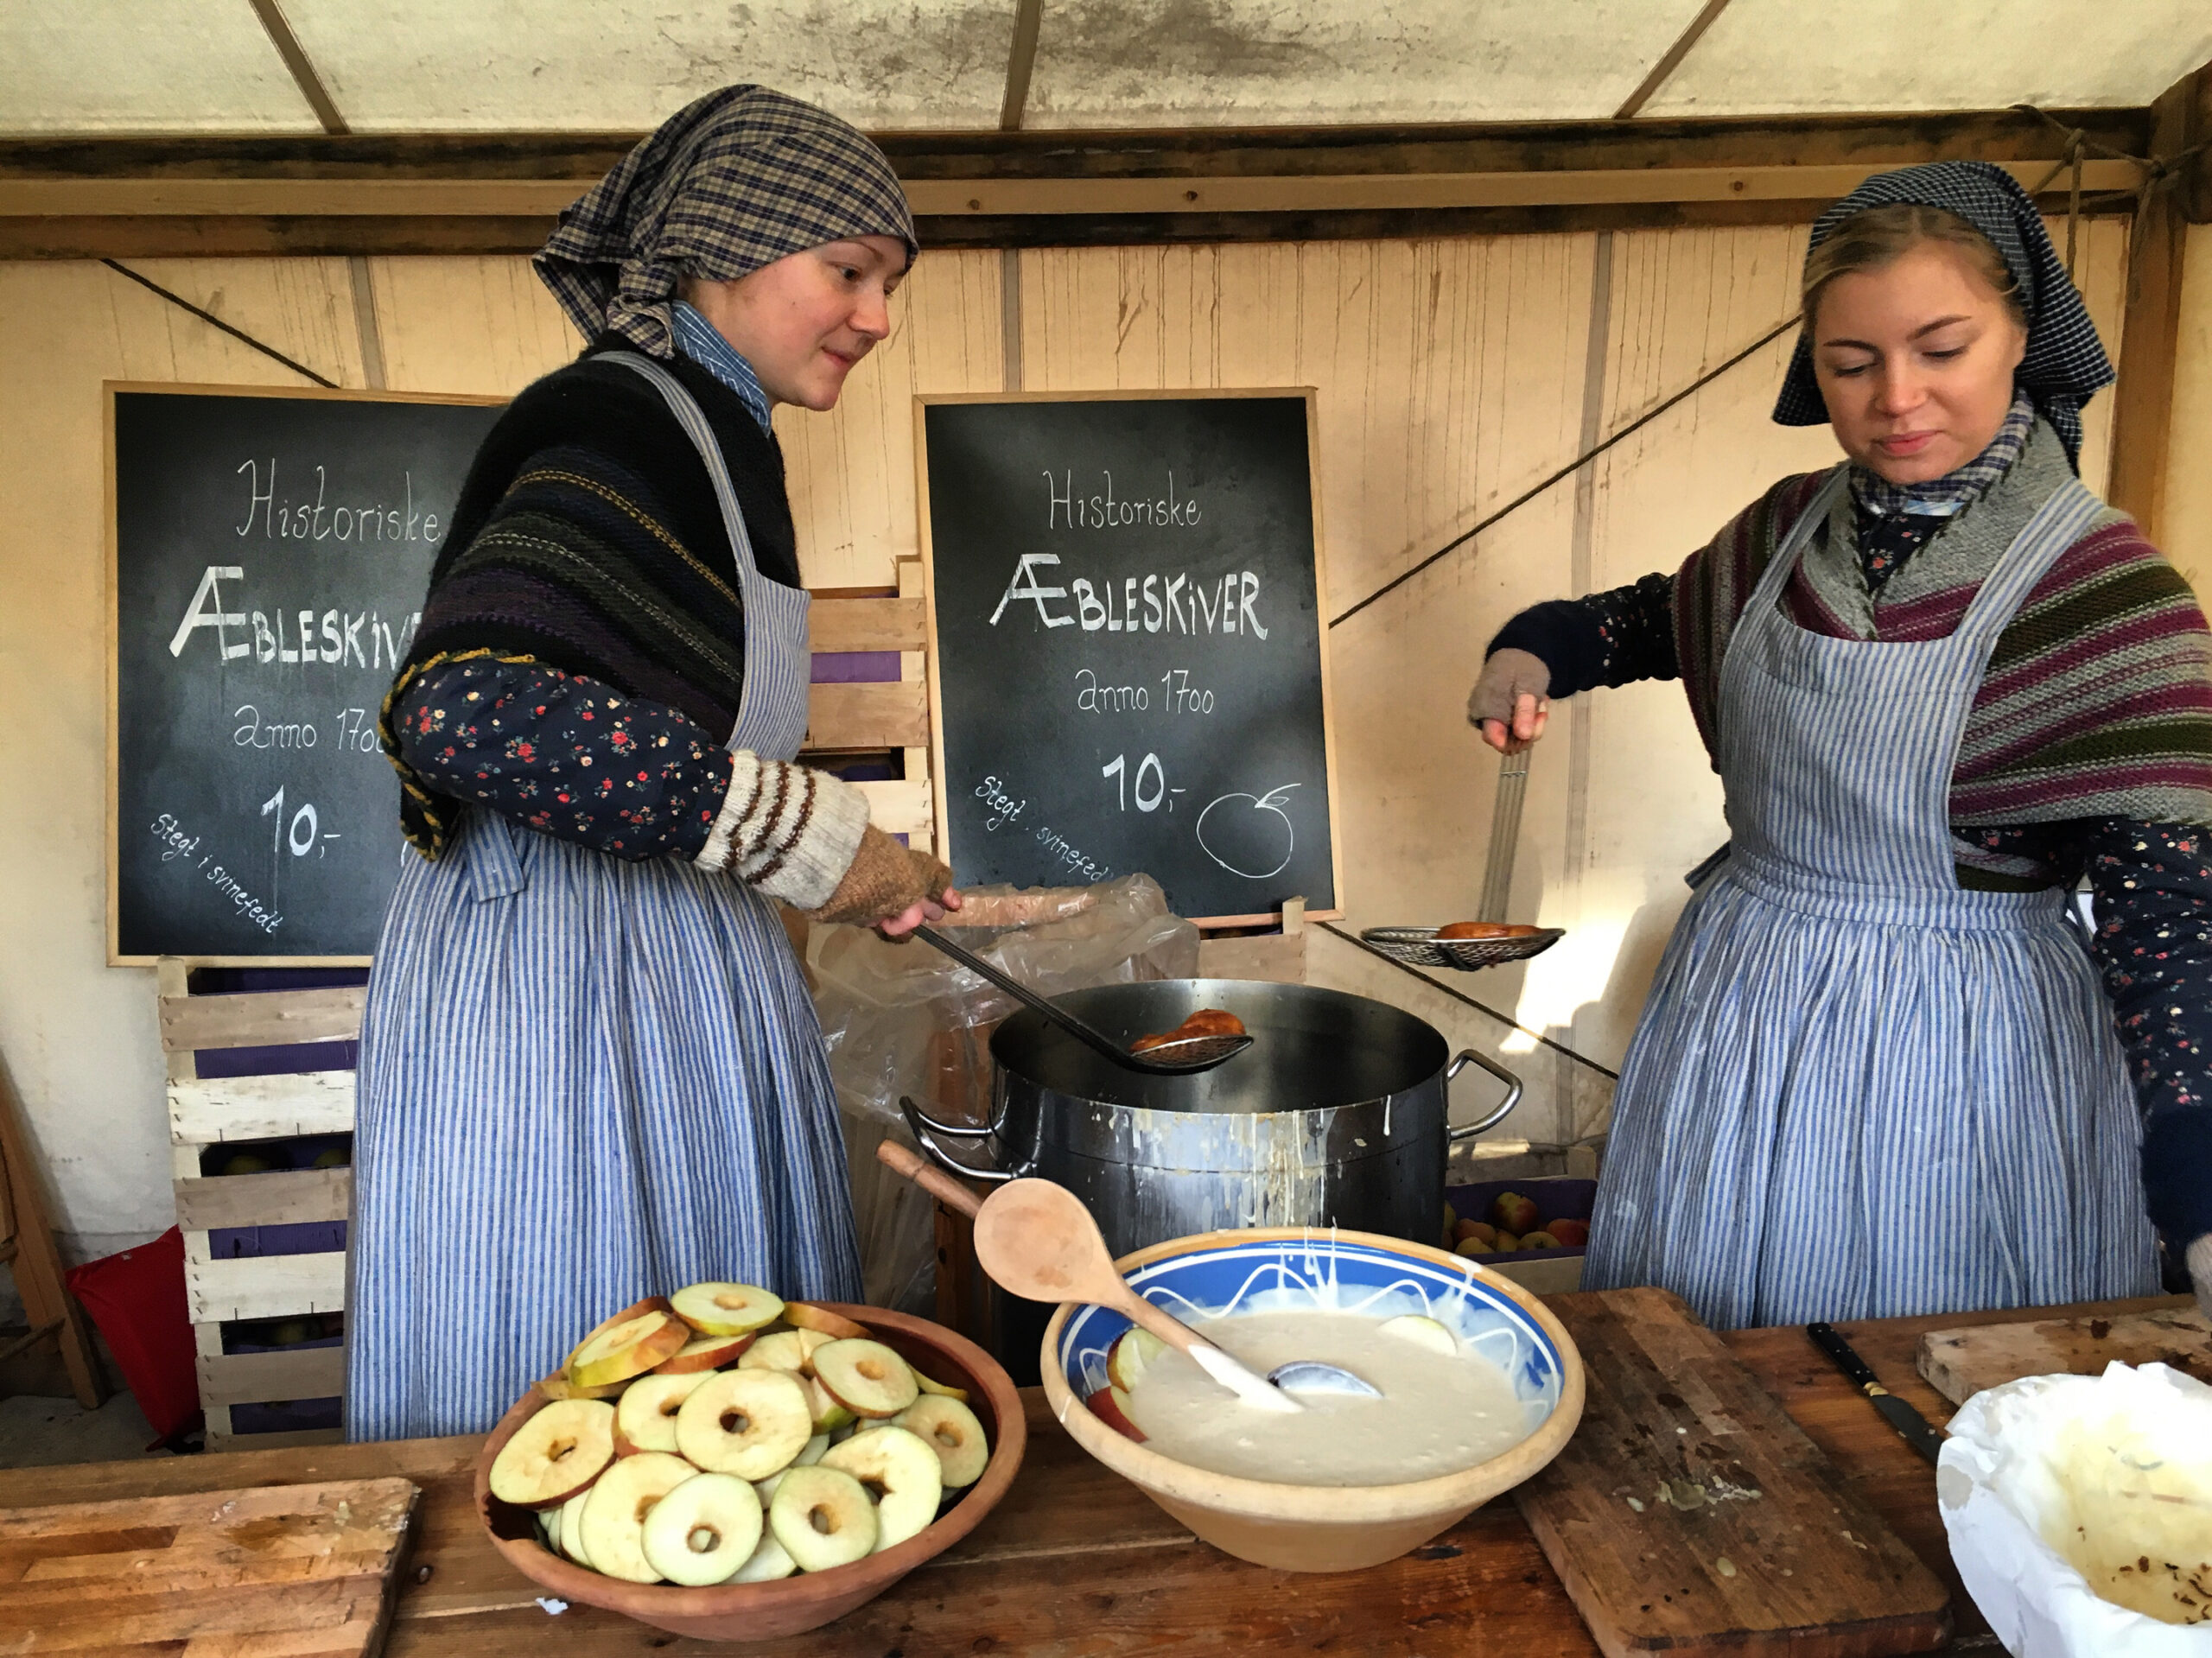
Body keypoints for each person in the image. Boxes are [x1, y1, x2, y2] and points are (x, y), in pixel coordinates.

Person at [1468, 162, 2212, 1330]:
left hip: (1969, 1061)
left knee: (1929, 1396)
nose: (1896, 399)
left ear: (2023, 331)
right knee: (1706, 1367)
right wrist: (1538, 648)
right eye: (1851, 364)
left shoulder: (2103, 596)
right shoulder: (1781, 532)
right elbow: (1654, 615)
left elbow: (2167, 926)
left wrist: (2197, 1186)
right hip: (1745, 1012)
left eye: (1942, 349)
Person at [346, 86, 957, 1440]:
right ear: (723, 250)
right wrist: (816, 843)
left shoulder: (721, 437)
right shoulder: (623, 420)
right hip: (563, 1001)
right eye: (848, 271)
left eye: (889, 282)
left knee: (712, 1412)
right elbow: (469, 712)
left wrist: (855, 867)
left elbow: (662, 728)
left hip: (675, 964)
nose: (877, 315)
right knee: (584, 1402)